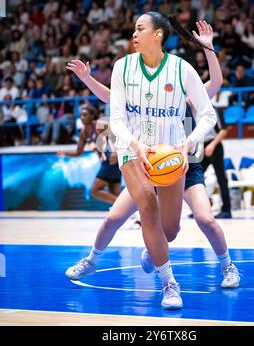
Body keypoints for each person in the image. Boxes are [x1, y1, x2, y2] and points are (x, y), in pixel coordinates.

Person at [65, 18, 240, 308]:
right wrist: (88, 80)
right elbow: (114, 107)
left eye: (140, 28)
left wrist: (188, 142)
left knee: (169, 230)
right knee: (137, 208)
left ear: (158, 34)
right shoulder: (124, 67)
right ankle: (167, 283)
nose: (133, 33)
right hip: (134, 151)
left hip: (172, 156)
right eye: (132, 28)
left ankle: (157, 249)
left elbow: (213, 97)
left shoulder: (182, 73)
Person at [57, 106, 121, 204]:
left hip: (111, 159)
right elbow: (79, 152)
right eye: (81, 115)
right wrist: (65, 153)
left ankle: (123, 208)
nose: (82, 117)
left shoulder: (100, 125)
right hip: (106, 163)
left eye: (85, 115)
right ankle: (132, 212)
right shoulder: (84, 133)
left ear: (92, 116)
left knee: (94, 191)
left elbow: (117, 135)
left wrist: (115, 152)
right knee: (114, 192)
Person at [190, 105, 232, 219]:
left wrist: (212, 145)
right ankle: (199, 209)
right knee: (196, 177)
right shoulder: (192, 109)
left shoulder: (214, 109)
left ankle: (227, 210)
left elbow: (224, 130)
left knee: (221, 178)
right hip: (201, 146)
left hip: (215, 145)